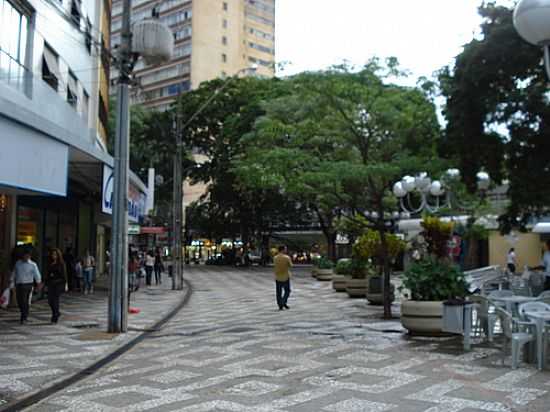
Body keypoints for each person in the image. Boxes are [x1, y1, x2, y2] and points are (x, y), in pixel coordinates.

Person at [11, 247, 41, 324]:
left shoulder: (33, 265)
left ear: (30, 256)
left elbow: (37, 275)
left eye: (28, 256)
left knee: (25, 301)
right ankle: (24, 314)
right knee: (20, 301)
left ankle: (23, 318)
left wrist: (38, 284)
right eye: (25, 255)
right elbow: (14, 273)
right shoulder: (18, 263)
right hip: (19, 284)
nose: (27, 257)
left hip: (28, 285)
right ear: (23, 255)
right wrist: (11, 281)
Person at [45, 248, 66, 323]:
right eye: (52, 254)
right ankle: (57, 312)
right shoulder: (49, 263)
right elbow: (47, 275)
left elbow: (63, 277)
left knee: (55, 301)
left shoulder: (61, 264)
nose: (53, 256)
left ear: (58, 255)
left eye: (55, 254)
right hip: (50, 284)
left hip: (58, 285)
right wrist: (46, 284)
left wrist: (56, 282)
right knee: (50, 301)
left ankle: (54, 317)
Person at [273, 245, 292, 311]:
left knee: (278, 292)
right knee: (287, 290)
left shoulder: (275, 258)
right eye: (285, 249)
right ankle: (283, 302)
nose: (286, 250)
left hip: (277, 276)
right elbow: (291, 265)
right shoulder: (287, 257)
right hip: (286, 275)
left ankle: (280, 304)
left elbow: (275, 265)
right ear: (283, 250)